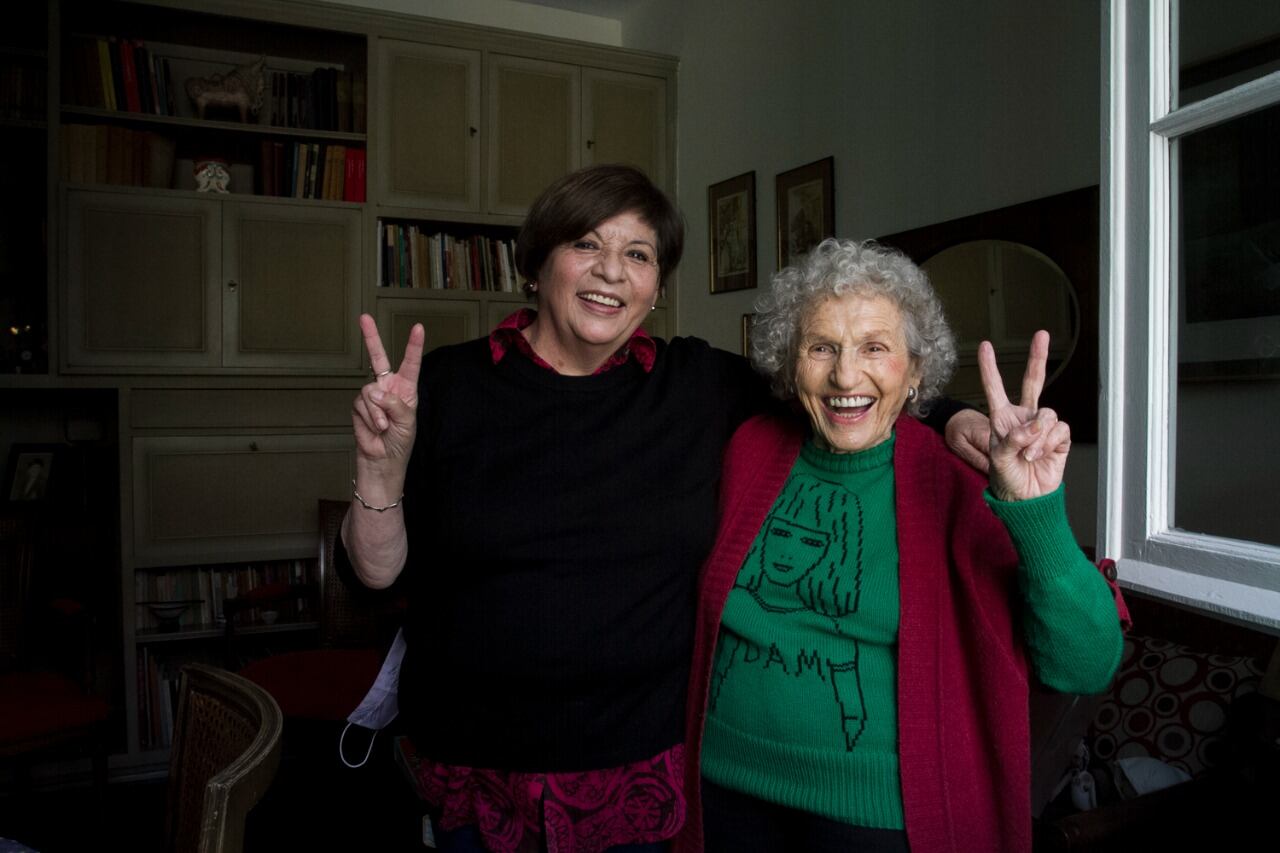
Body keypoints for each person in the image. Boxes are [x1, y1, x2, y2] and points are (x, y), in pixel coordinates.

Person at [339, 167, 992, 853]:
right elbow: (376, 576)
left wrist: (954, 418)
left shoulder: (696, 385)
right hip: (473, 771)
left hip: (639, 773)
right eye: (586, 244)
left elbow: (832, 388)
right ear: (535, 266)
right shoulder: (444, 385)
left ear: (655, 289)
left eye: (638, 255)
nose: (611, 272)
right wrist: (380, 467)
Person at [679, 238, 1126, 853]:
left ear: (916, 371)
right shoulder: (750, 450)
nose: (844, 374)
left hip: (875, 813)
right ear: (790, 363)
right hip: (721, 789)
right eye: (821, 347)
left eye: (874, 348)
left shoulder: (962, 479)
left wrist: (1036, 513)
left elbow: (1086, 664)